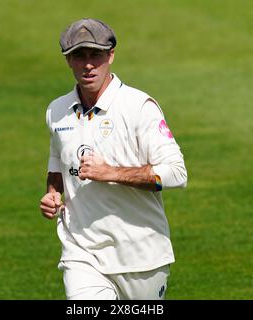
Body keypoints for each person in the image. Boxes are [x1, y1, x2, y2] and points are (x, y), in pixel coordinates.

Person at [40, 18, 188, 300]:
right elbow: (57, 161)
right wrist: (52, 194)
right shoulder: (56, 111)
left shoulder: (139, 107)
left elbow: (177, 174)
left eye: (95, 55)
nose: (88, 64)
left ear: (110, 56)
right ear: (68, 60)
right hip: (81, 251)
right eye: (79, 56)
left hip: (142, 256)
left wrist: (110, 173)